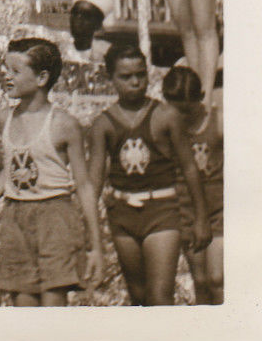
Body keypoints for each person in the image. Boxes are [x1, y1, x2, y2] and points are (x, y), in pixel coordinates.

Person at [0, 38, 103, 305]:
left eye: (15, 71)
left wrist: (95, 246)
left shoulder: (64, 124)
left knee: (52, 309)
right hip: (15, 217)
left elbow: (84, 186)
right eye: (5, 69)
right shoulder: (5, 117)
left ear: (42, 78)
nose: (6, 75)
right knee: (23, 307)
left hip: (54, 217)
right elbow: (13, 169)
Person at [88, 43, 208, 305]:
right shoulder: (102, 125)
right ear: (111, 78)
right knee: (139, 296)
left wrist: (201, 218)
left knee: (160, 296)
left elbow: (190, 168)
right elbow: (93, 181)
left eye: (140, 75)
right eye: (126, 77)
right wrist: (86, 226)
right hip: (122, 214)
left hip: (161, 210)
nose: (135, 82)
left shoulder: (167, 116)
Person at [161, 65, 222, 303]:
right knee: (202, 280)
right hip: (185, 211)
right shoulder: (164, 128)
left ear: (201, 98)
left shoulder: (217, 123)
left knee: (217, 277)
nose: (182, 118)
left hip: (218, 210)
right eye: (177, 111)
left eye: (188, 111)